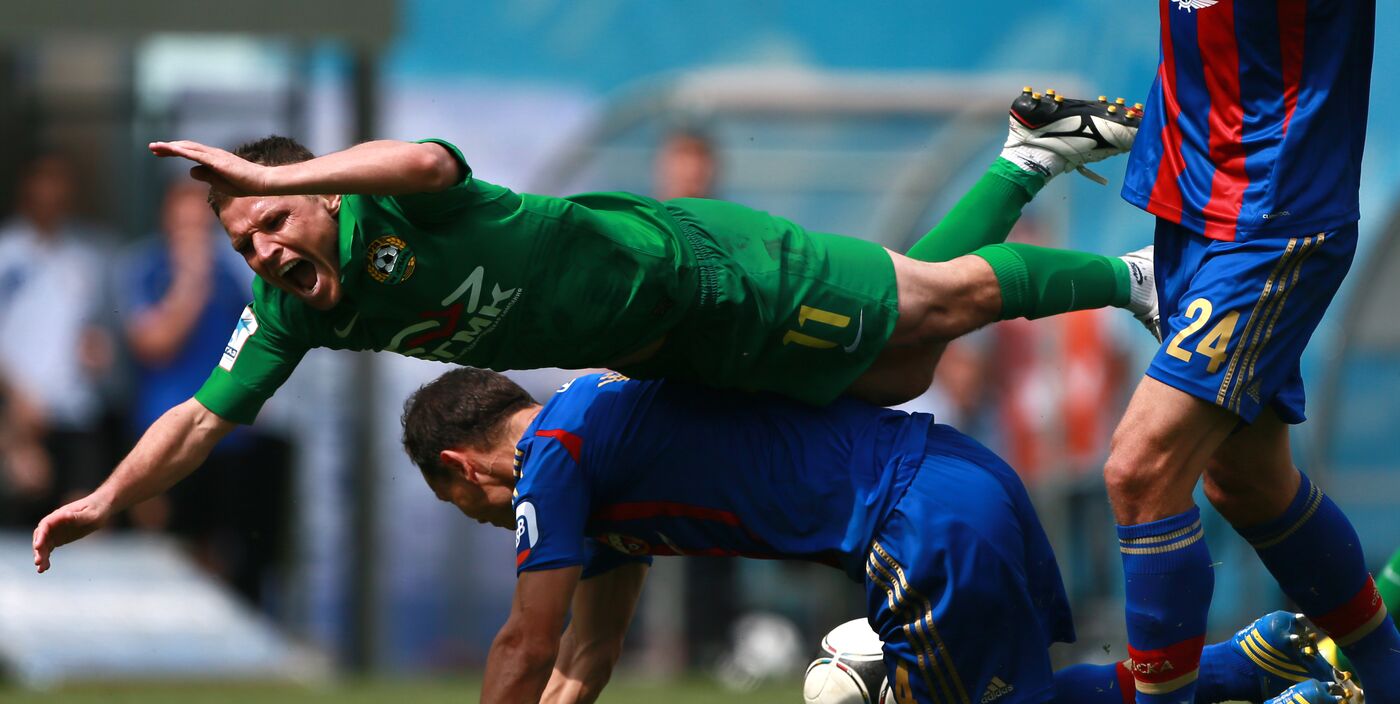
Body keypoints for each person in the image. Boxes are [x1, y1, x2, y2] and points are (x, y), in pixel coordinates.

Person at [32, 90, 1159, 573]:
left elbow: (426, 160)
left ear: (323, 193)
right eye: (243, 245)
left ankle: (1131, 276)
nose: (264, 251)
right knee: (894, 363)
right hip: (663, 343)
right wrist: (104, 499)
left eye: (274, 219)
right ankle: (1025, 151)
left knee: (931, 306)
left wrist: (270, 172)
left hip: (697, 271)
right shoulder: (292, 310)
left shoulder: (395, 198)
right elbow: (197, 416)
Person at [367, 367, 1349, 704]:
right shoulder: (598, 440)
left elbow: (525, 647)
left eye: (466, 508)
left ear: (459, 466)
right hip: (960, 477)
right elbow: (585, 659)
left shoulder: (552, 460)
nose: (489, 522)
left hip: (912, 525)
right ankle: (1243, 661)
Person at [1105, 0, 1398, 704]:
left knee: (1140, 469)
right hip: (1189, 202)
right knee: (1249, 482)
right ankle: (1392, 688)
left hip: (1274, 212)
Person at [118, 177, 290, 603]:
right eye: (182, 223)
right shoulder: (144, 268)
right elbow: (154, 343)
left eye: (200, 223)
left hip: (226, 431)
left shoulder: (237, 270)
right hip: (162, 425)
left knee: (226, 544)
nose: (192, 233)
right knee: (165, 541)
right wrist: (189, 285)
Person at [0, 153, 118, 524]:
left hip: (76, 409)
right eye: (44, 184)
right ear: (27, 190)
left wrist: (99, 351)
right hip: (19, 415)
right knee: (21, 526)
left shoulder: (91, 254)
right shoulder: (7, 252)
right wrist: (16, 399)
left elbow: (98, 328)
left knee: (83, 519)